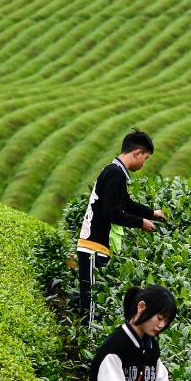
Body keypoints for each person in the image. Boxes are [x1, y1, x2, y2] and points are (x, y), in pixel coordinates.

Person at [75, 130, 165, 327]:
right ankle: (84, 344)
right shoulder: (115, 174)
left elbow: (126, 203)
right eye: (145, 158)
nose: (144, 164)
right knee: (89, 302)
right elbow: (113, 212)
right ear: (136, 153)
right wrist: (141, 223)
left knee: (92, 298)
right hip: (92, 247)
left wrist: (151, 213)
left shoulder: (113, 170)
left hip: (94, 246)